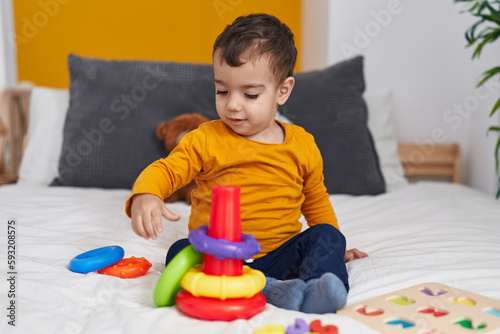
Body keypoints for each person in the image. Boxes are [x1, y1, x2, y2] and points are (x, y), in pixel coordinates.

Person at [125, 13, 367, 313]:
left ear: (283, 90)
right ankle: (273, 291)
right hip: (218, 258)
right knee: (179, 251)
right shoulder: (206, 138)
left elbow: (316, 200)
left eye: (250, 94)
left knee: (329, 237)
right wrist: (146, 193)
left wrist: (334, 251)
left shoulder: (302, 144)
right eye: (222, 91)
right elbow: (167, 169)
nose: (232, 104)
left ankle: (317, 292)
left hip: (280, 256)